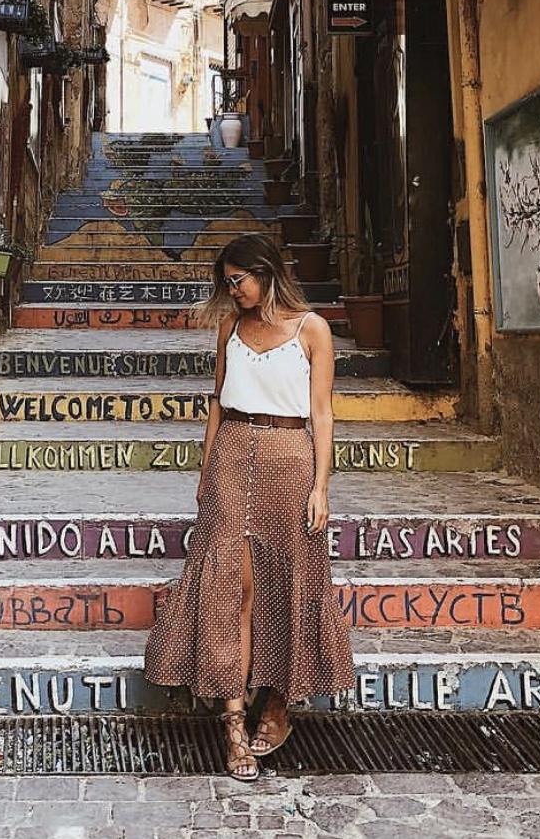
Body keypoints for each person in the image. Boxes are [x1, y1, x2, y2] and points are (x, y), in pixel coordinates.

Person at [144, 232, 354, 781]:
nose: (232, 291)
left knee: (291, 580)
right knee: (229, 587)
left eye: (238, 281)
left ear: (266, 272)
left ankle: (280, 705)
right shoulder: (230, 328)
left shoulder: (312, 329)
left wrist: (321, 487)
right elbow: (217, 401)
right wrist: (206, 471)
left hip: (290, 456)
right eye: (226, 283)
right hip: (233, 454)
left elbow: (323, 413)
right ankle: (234, 722)